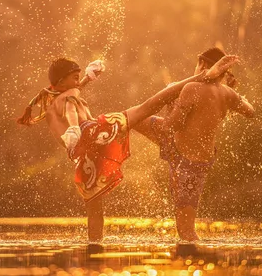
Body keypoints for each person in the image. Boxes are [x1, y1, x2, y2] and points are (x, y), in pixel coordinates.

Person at [17, 57, 235, 242]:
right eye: (74, 77)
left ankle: (94, 250)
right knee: (151, 104)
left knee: (95, 212)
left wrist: (87, 79)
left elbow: (70, 96)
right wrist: (73, 129)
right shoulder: (67, 100)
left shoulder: (54, 99)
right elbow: (71, 108)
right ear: (61, 80)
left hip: (82, 155)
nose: (78, 82)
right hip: (94, 135)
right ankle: (202, 77)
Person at [133, 48, 255, 241]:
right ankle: (108, 131)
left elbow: (171, 127)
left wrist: (170, 100)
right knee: (132, 119)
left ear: (203, 66)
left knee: (186, 232)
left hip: (181, 157)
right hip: (201, 162)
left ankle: (102, 133)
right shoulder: (227, 93)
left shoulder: (191, 88)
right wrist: (237, 99)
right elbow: (250, 111)